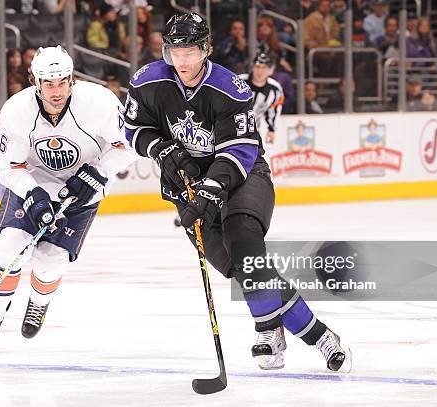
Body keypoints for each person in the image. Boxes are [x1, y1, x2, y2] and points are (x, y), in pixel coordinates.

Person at [124, 12, 351, 372]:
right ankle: (321, 334)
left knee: (244, 244)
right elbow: (135, 127)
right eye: (175, 52)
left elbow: (241, 148)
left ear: (205, 50)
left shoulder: (229, 88)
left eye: (190, 51)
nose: (182, 61)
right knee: (240, 269)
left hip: (244, 179)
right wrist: (162, 150)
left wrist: (212, 191)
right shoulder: (149, 81)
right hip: (188, 188)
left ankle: (266, 329)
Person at [0, 45, 137, 352]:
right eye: (49, 84)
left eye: (62, 82)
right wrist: (33, 192)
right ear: (36, 83)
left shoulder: (99, 103)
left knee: (50, 262)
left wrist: (99, 172)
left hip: (82, 188)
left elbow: (129, 145)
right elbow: (9, 167)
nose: (57, 91)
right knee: (8, 248)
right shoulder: (16, 111)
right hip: (34, 184)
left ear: (72, 80)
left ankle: (39, 303)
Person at [239, 52, 284, 145]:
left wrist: (271, 129)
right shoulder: (238, 82)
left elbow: (274, 108)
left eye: (264, 68)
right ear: (252, 68)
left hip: (253, 133)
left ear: (270, 70)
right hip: (228, 132)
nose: (260, 71)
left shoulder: (275, 89)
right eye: (257, 67)